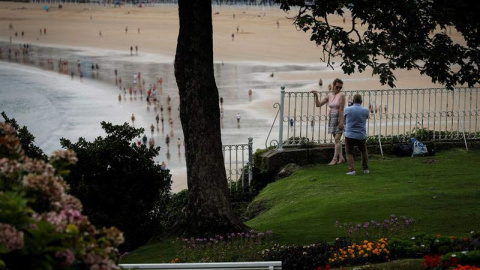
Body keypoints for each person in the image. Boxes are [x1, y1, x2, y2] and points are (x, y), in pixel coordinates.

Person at [311, 78, 346, 165]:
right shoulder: (329, 96)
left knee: (337, 139)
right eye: (337, 87)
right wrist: (316, 96)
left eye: (340, 88)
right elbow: (318, 105)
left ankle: (334, 159)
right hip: (332, 117)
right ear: (333, 85)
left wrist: (341, 122)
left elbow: (341, 109)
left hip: (339, 117)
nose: (338, 89)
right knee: (336, 139)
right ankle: (341, 158)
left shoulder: (341, 95)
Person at [344, 94, 370, 175]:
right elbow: (367, 117)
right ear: (361, 101)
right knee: (363, 151)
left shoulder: (347, 109)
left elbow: (345, 119)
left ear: (353, 101)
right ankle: (365, 169)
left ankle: (352, 170)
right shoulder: (365, 110)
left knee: (349, 152)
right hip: (361, 134)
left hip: (350, 134)